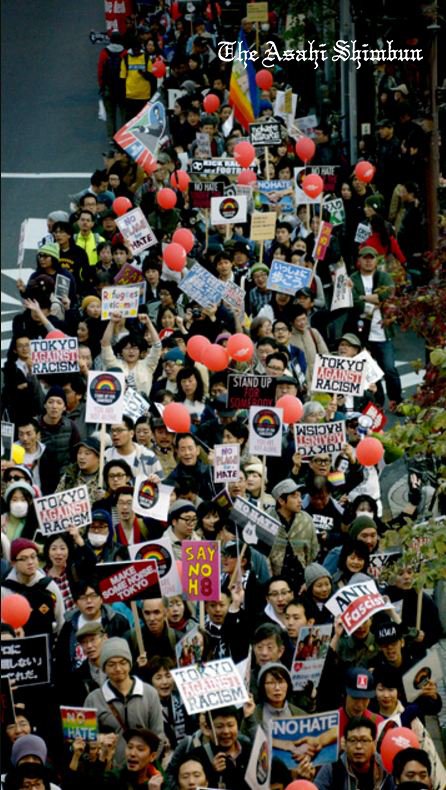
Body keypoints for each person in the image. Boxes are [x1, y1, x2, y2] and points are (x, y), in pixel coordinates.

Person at [84, 638, 164, 767]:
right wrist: (99, 741)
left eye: (123, 663)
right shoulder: (93, 699)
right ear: (104, 668)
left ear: (130, 664)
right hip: (109, 771)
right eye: (111, 664)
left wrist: (149, 764)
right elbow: (88, 741)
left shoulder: (149, 693)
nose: (118, 668)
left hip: (144, 769)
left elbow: (158, 735)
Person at [2, 538, 65, 638]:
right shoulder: (5, 588)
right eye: (24, 558)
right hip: (15, 643)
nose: (30, 562)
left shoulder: (48, 586)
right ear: (13, 563)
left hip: (45, 643)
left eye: (33, 556)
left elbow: (61, 621)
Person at [313, 716, 392, 789]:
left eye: (364, 740)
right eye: (353, 740)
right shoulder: (332, 768)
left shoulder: (385, 767)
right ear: (345, 743)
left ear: (374, 744)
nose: (358, 746)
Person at [267, 480, 319, 580]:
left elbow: (313, 551)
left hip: (301, 578)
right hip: (275, 579)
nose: (300, 500)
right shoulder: (267, 519)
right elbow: (263, 556)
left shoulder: (306, 520)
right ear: (281, 501)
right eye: (294, 497)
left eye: (300, 496)